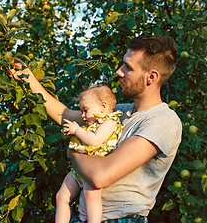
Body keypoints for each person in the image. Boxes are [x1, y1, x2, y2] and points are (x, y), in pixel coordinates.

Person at [10, 34, 182, 222]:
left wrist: (74, 149)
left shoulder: (162, 121)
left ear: (151, 77)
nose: (119, 71)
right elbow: (66, 115)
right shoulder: (117, 112)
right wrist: (29, 80)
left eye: (128, 67)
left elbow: (100, 176)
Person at [56, 85, 124, 223]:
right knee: (61, 197)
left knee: (91, 198)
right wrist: (71, 133)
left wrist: (77, 131)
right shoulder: (91, 125)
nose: (82, 115)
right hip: (79, 170)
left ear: (103, 106)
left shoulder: (109, 122)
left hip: (94, 169)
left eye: (85, 110)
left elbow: (95, 140)